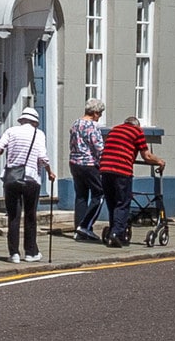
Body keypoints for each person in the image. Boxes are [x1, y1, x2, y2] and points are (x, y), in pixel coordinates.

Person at [0, 107, 55, 262]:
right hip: (31, 178)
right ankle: (31, 252)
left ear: (21, 120)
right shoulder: (38, 134)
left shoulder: (11, 131)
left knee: (13, 216)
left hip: (12, 178)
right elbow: (43, 157)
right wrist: (49, 172)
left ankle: (13, 253)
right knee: (30, 216)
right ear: (35, 122)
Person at [98, 113, 163, 247]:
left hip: (105, 169)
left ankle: (115, 232)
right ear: (137, 125)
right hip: (121, 170)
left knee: (112, 203)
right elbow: (146, 155)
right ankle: (116, 233)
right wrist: (160, 161)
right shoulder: (137, 132)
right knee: (123, 203)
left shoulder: (114, 130)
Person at [68, 99, 108, 243]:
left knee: (81, 196)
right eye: (100, 114)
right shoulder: (92, 126)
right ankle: (85, 226)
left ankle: (78, 229)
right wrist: (105, 162)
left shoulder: (75, 123)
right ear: (95, 113)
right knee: (99, 194)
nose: (100, 116)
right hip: (89, 164)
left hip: (74, 163)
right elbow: (99, 148)